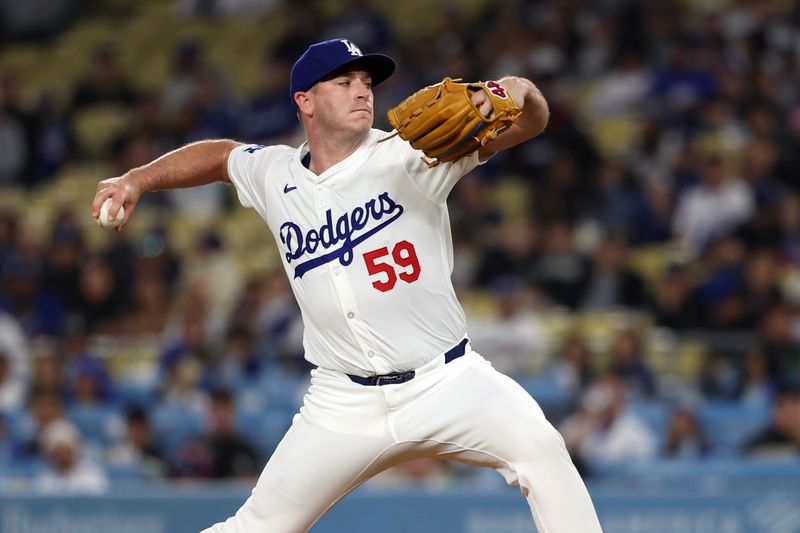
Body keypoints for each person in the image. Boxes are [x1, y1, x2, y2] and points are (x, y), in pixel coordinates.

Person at [92, 38, 602, 533]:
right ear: (305, 101)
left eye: (366, 81)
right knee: (253, 527)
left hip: (446, 381)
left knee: (542, 451)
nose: (363, 90)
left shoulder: (414, 151)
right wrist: (139, 179)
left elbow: (532, 119)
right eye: (344, 81)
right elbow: (222, 156)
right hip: (342, 402)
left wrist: (510, 90)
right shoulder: (275, 173)